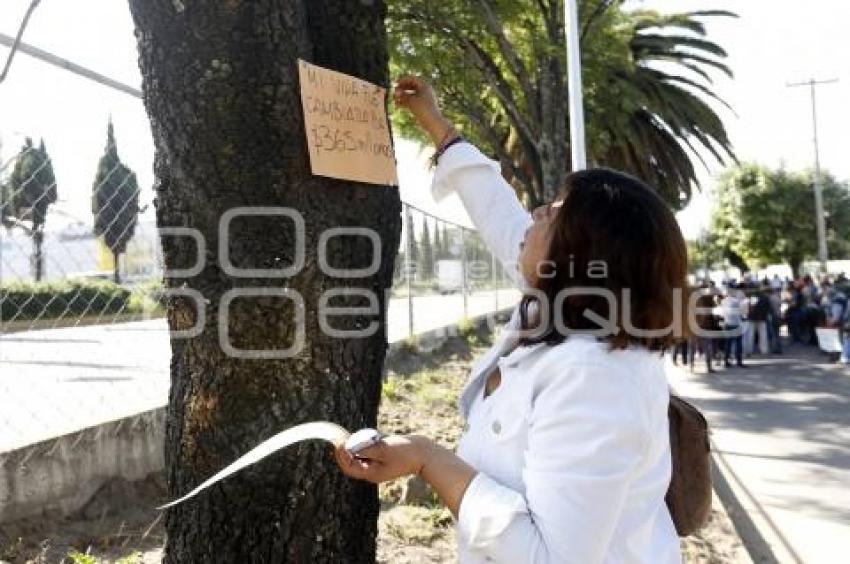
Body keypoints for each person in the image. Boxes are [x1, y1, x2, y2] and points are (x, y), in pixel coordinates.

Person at [333, 76, 684, 563]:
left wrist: (425, 458)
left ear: (580, 257)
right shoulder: (557, 310)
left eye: (555, 214)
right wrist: (439, 128)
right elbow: (501, 217)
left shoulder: (595, 377)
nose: (537, 213)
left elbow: (549, 557)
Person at [720, 284, 746, 367]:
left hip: (727, 324)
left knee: (728, 344)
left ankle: (726, 361)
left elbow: (722, 313)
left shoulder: (723, 301)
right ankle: (739, 361)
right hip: (737, 324)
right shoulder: (737, 301)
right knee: (738, 344)